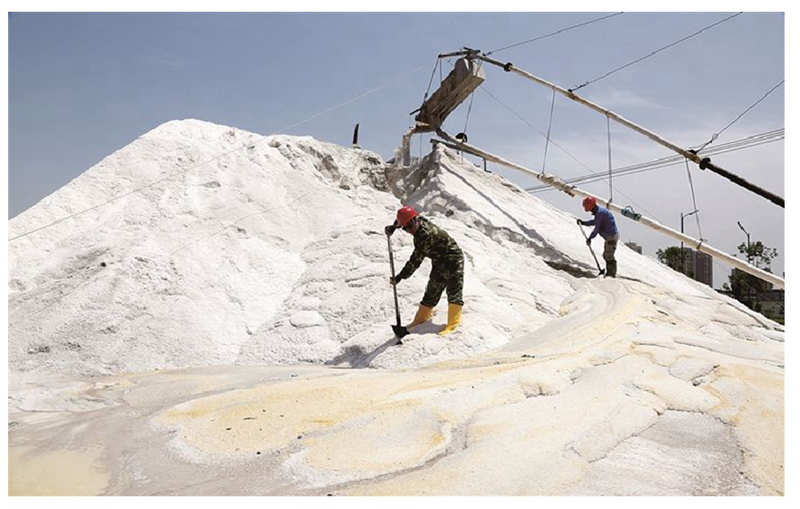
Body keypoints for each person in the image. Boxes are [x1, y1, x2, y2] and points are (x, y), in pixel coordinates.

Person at [385, 205, 464, 335]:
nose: (408, 230)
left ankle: (452, 325)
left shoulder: (424, 236)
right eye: (405, 228)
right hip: (439, 259)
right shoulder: (416, 221)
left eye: (410, 226)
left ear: (416, 220)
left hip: (453, 257)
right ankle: (421, 319)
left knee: (453, 289)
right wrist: (394, 227)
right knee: (432, 289)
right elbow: (403, 219)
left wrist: (399, 277)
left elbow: (415, 261)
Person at [577, 196, 619, 277]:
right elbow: (595, 222)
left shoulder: (600, 213)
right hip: (610, 236)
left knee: (608, 255)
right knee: (606, 255)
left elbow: (597, 228)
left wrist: (590, 238)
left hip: (611, 236)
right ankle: (610, 273)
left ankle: (611, 274)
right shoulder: (599, 212)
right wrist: (584, 223)